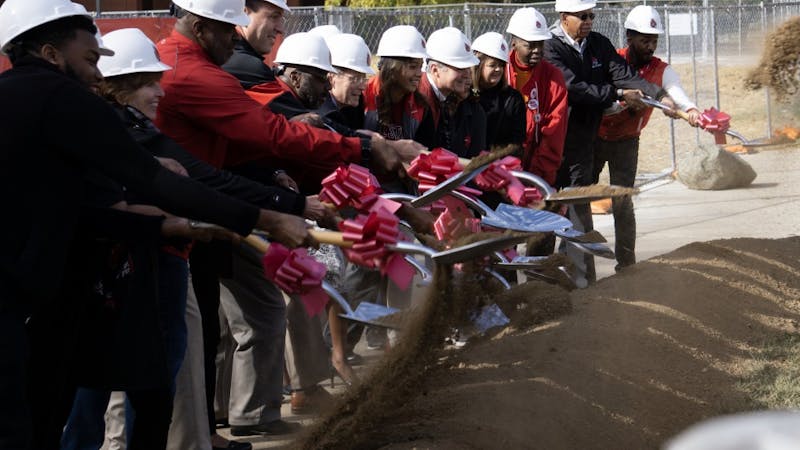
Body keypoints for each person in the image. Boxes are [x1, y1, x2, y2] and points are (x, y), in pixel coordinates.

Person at [0, 0, 311, 447]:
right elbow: (152, 178)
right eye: (90, 60)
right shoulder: (58, 95)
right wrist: (262, 218)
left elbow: (73, 210)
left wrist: (164, 227)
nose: (95, 75)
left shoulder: (20, 98)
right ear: (50, 53)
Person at [544, 0, 676, 286]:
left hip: (583, 140)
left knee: (579, 203)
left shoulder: (597, 43)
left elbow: (624, 74)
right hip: (552, 141)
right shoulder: (550, 48)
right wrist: (616, 94)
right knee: (550, 208)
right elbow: (572, 88)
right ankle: (546, 277)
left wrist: (659, 95)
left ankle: (582, 282)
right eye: (582, 16)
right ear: (564, 17)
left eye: (592, 15)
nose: (589, 20)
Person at [595, 5, 700, 271]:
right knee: (577, 197)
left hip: (627, 142)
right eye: (645, 40)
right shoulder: (613, 59)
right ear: (629, 38)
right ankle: (574, 261)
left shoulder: (660, 69)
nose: (650, 46)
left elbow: (675, 90)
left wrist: (689, 109)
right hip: (594, 139)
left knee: (622, 199)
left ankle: (626, 264)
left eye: (654, 40)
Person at [505, 7, 569, 186]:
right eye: (530, 44)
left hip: (537, 172)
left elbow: (554, 132)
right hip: (500, 170)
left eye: (540, 43)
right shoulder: (500, 72)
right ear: (514, 42)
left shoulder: (552, 77)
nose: (537, 50)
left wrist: (536, 177)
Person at [417, 27, 486, 158]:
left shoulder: (441, 98)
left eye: (468, 68)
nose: (468, 74)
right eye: (460, 68)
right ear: (435, 70)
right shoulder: (418, 101)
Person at [363, 25, 436, 146]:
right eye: (412, 67)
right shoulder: (363, 96)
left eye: (420, 66)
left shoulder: (421, 106)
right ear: (392, 67)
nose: (420, 74)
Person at [470, 32, 526, 150]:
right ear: (478, 65)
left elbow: (516, 142)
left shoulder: (513, 99)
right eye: (492, 65)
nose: (498, 69)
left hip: (500, 164)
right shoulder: (465, 94)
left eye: (501, 65)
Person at [317, 32, 373, 132]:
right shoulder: (320, 112)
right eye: (355, 79)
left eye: (363, 78)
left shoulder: (355, 104)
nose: (363, 87)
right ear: (331, 78)